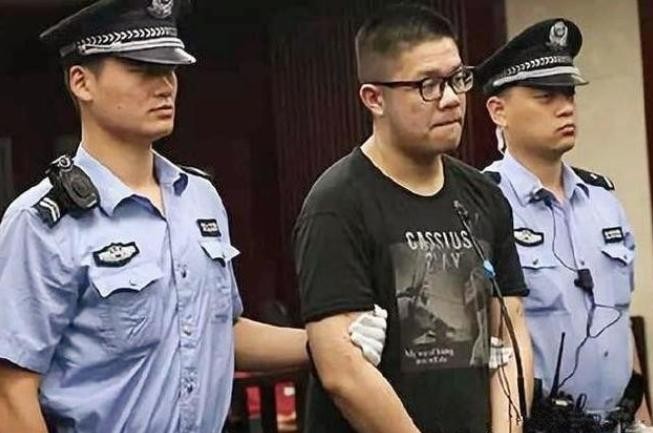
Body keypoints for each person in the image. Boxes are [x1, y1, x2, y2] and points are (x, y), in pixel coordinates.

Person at [0, 1, 387, 432]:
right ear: (81, 82)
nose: (165, 85)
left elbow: (217, 331)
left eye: (170, 69)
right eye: (143, 69)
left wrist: (328, 344)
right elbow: (11, 394)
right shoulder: (41, 223)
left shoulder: (198, 198)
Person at [293, 4, 533, 433]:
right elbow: (343, 373)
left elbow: (511, 336)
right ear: (374, 98)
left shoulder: (483, 196)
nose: (451, 98)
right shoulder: (337, 205)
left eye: (458, 78)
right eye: (428, 85)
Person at [477, 17, 652, 430]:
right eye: (545, 96)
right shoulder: (483, 204)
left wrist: (643, 417)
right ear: (498, 110)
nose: (566, 107)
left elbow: (619, 317)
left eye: (569, 94)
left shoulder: (602, 200)